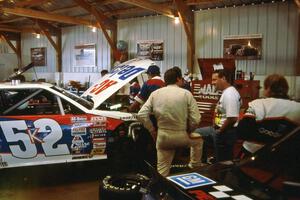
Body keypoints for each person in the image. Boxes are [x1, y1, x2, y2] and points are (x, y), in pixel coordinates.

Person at [137, 68, 203, 176]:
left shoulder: (155, 94)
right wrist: (189, 130)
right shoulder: (186, 94)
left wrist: (152, 130)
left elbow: (141, 114)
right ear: (178, 79)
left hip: (162, 137)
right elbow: (196, 119)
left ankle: (162, 188)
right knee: (198, 140)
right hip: (181, 136)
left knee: (162, 172)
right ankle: (194, 168)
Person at [238, 74, 300, 154]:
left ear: (268, 88)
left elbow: (242, 132)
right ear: (286, 89)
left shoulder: (258, 104)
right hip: (287, 157)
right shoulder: (297, 107)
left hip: (254, 155)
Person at [194, 69, 241, 162]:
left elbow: (232, 118)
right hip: (219, 129)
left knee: (223, 163)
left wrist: (220, 131)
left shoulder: (230, 94)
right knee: (197, 134)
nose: (212, 83)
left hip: (225, 132)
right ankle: (201, 163)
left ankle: (221, 175)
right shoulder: (227, 92)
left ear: (223, 78)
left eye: (215, 79)